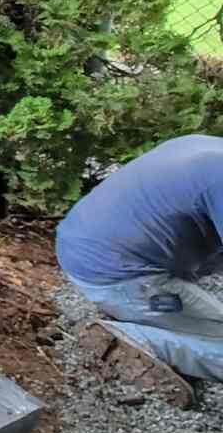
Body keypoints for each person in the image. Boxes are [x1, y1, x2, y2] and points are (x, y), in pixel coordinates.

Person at [56, 134, 223, 408]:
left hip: (86, 249)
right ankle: (132, 339)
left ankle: (140, 318)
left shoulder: (209, 148)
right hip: (120, 276)